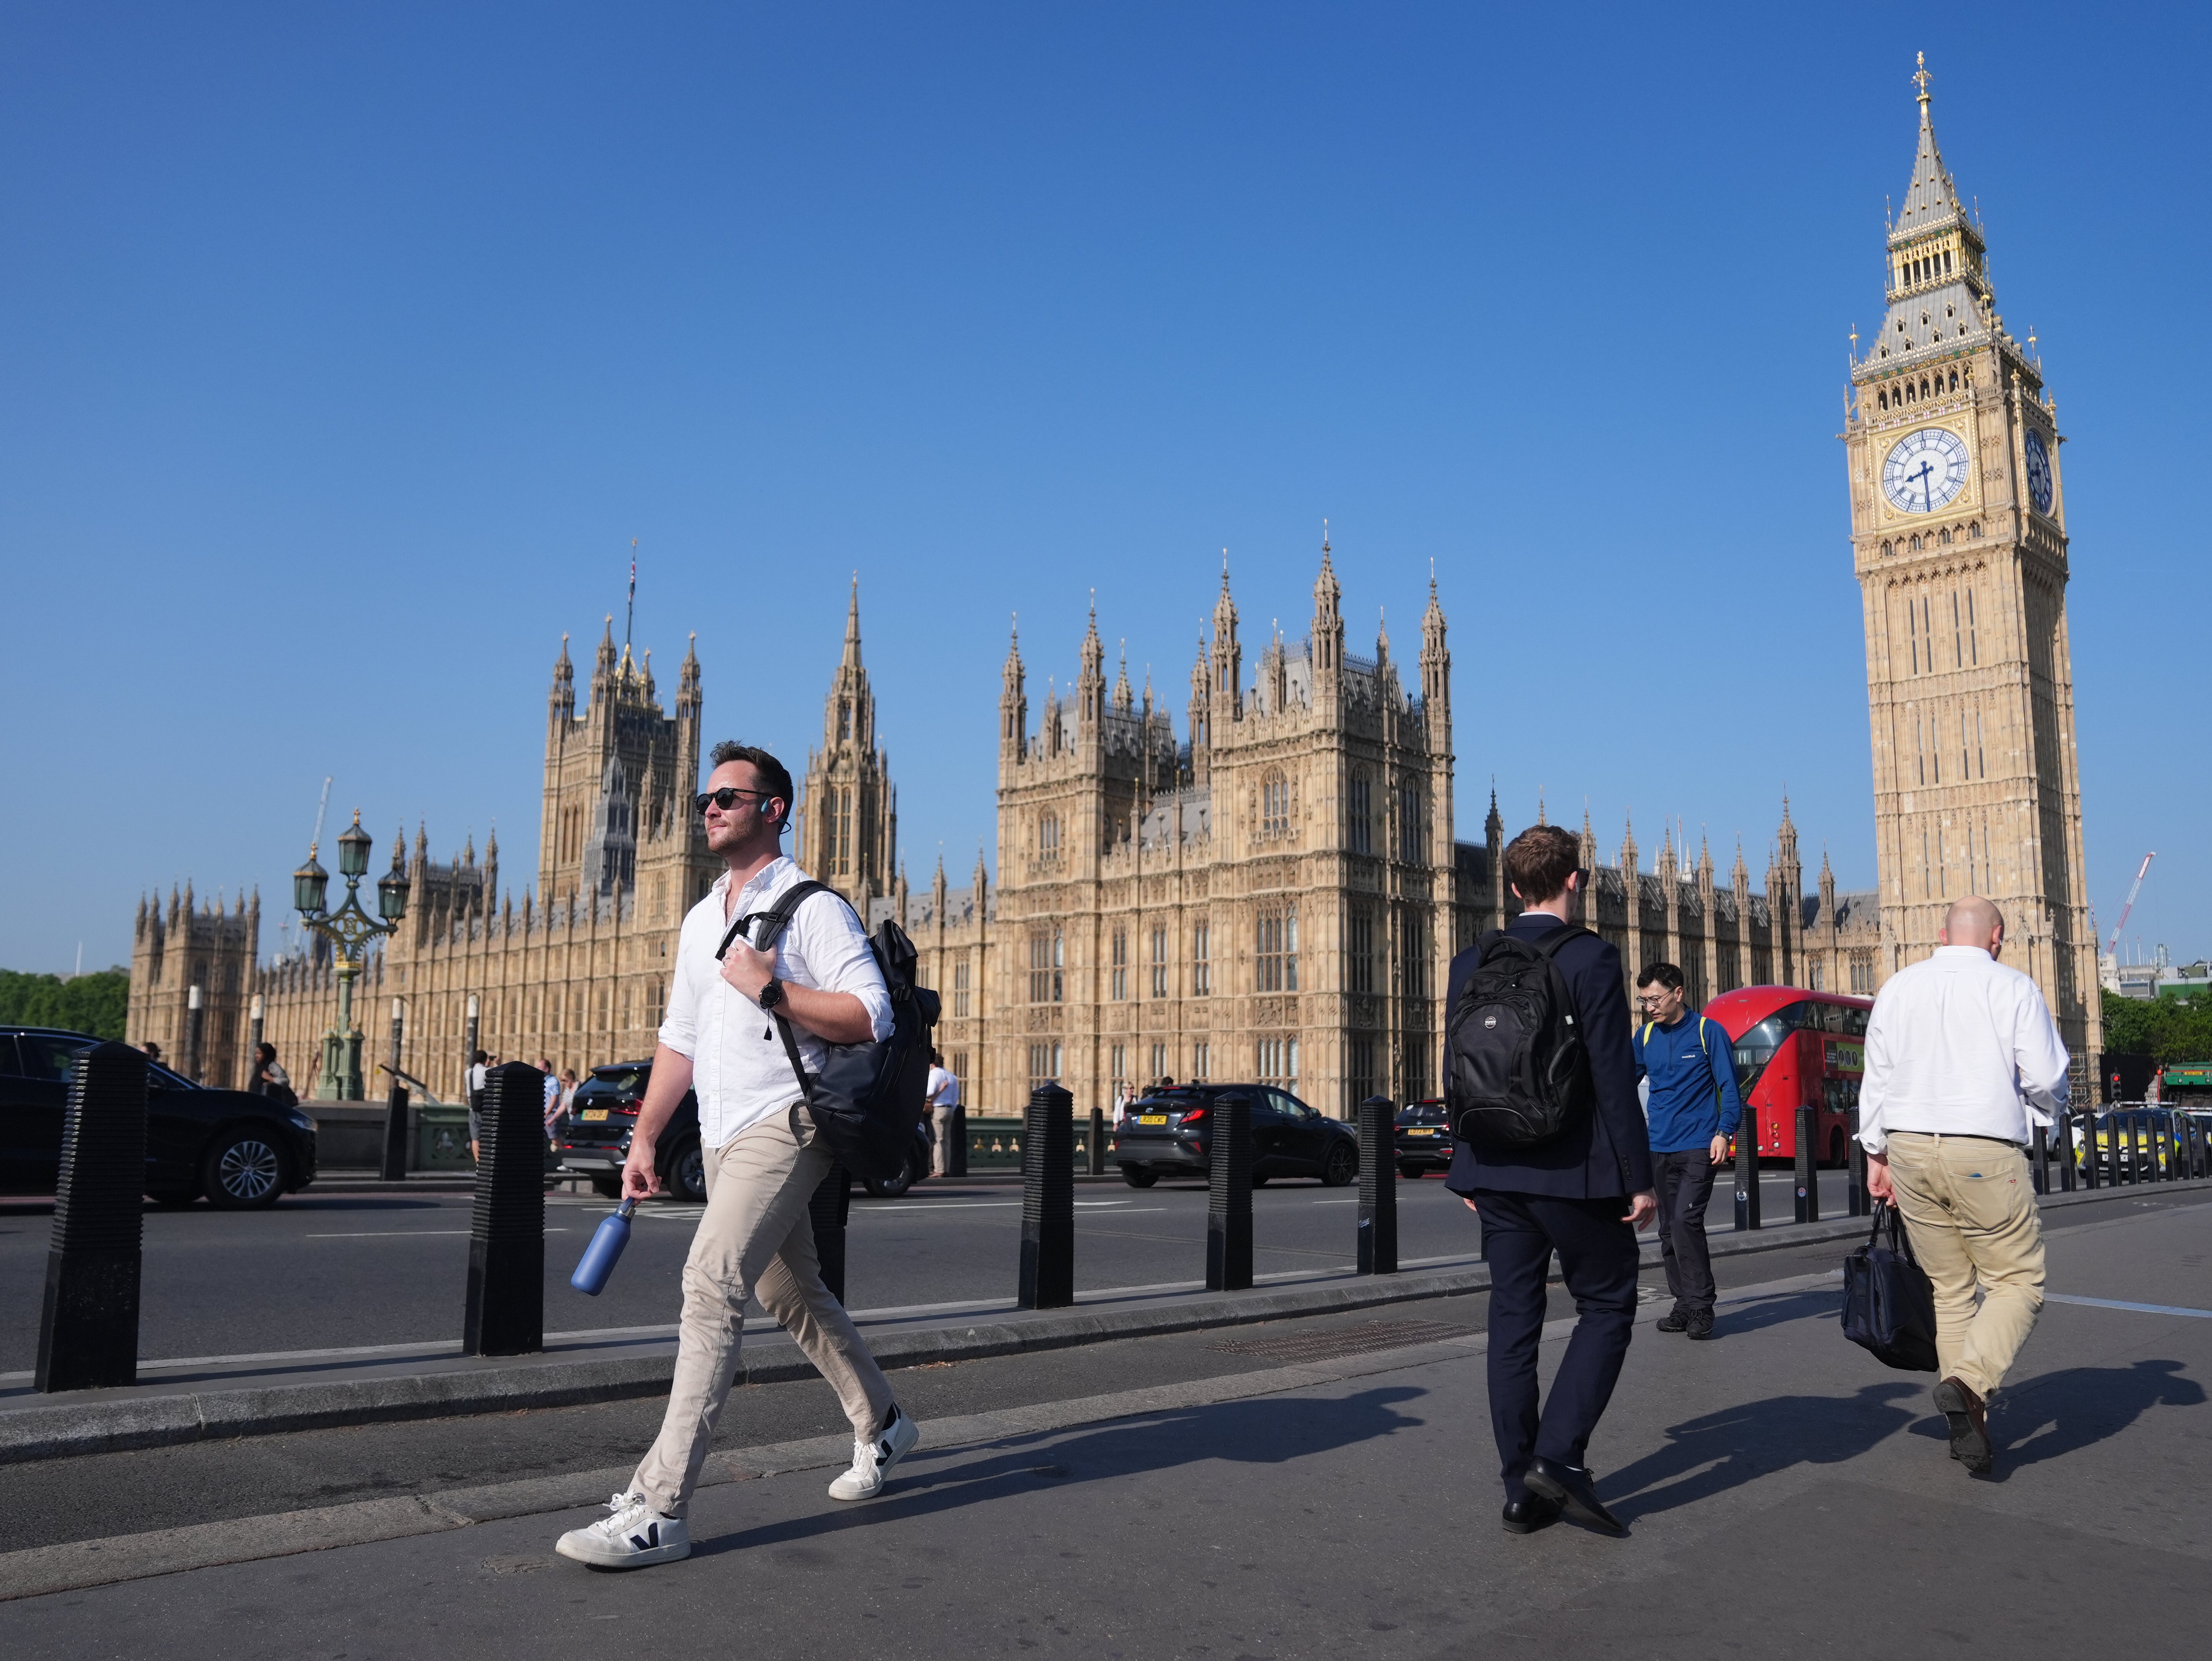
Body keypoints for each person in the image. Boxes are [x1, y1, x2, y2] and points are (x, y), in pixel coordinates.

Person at [556, 742, 915, 1570]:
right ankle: (884, 1420)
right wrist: (645, 1135)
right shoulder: (698, 919)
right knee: (790, 1291)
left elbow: (872, 1013)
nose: (710, 808)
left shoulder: (813, 907)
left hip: (789, 1122)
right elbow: (678, 1041)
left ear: (774, 808)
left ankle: (658, 1505)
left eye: (727, 796)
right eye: (705, 798)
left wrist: (773, 988)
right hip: (719, 1133)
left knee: (710, 1280)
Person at [1444, 823, 1655, 1538]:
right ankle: (1557, 1457)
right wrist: (1639, 1178)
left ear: (1510, 887)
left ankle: (1518, 1489)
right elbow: (1613, 1079)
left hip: (1494, 1171)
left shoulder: (1468, 960)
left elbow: (1458, 1072)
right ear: (1577, 880)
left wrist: (1464, 1162)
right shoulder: (1592, 959)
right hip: (1573, 1172)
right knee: (1607, 1304)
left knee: (1511, 1325)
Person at [1860, 896, 2070, 1477]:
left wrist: (1874, 1153)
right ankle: (1971, 1384)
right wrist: (2047, 1108)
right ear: (1997, 937)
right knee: (2018, 1281)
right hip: (1982, 1147)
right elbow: (2049, 1077)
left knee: (1950, 1289)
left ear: (1940, 933)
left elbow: (1876, 1075)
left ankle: (1970, 1428)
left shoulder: (1900, 986)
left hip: (1907, 1147)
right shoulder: (2013, 987)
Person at [1632, 963, 1743, 1340]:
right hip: (1658, 1145)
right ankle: (1683, 1303)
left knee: (1685, 1222)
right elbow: (1620, 1082)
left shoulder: (1707, 1031)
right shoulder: (1645, 1036)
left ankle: (1701, 1306)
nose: (1650, 1007)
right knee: (1667, 1230)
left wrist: (1724, 1132)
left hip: (1699, 1144)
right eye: (1644, 1000)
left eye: (1656, 999)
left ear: (1678, 993)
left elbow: (1730, 1086)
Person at [924, 1049, 959, 1176]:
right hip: (950, 1109)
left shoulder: (934, 1074)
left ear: (933, 1064)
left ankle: (939, 1170)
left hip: (938, 1110)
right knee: (946, 1141)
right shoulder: (952, 1076)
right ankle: (946, 1169)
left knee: (938, 1141)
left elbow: (929, 1092)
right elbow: (956, 1096)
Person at [250, 1043, 297, 1108]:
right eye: (256, 1054)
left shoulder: (273, 1067)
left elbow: (285, 1081)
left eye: (259, 1053)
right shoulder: (259, 1068)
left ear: (266, 1054)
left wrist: (270, 1078)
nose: (257, 1056)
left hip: (271, 1106)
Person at [465, 1049, 489, 1163]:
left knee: (475, 1139)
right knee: (488, 1137)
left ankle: (479, 1164)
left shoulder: (468, 1072)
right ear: (485, 1060)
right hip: (486, 1110)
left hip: (473, 1108)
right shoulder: (487, 1071)